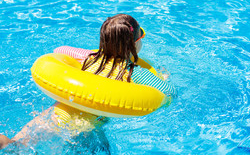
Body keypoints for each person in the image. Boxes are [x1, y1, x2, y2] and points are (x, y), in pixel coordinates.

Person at [0, 14, 177, 151]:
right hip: (84, 129)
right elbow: (168, 93)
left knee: (16, 145)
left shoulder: (87, 58)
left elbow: (60, 50)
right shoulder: (134, 72)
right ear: (134, 44)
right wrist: (163, 77)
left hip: (55, 112)